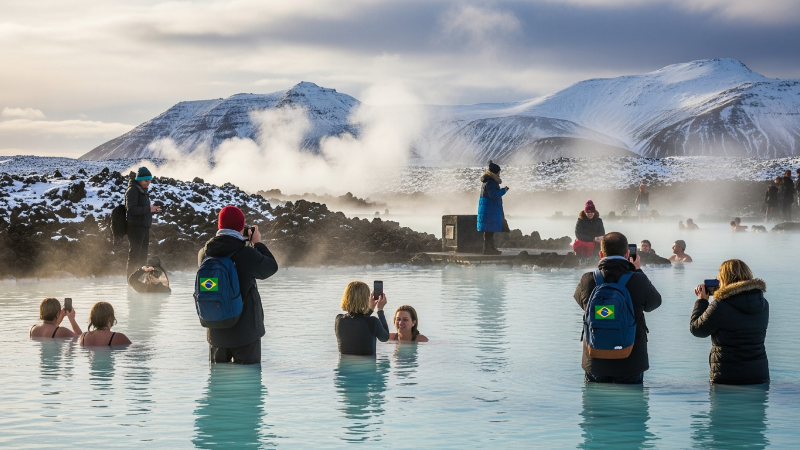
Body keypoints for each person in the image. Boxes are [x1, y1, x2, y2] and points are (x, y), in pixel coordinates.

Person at [574, 232, 662, 384]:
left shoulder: (587, 279)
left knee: (595, 399)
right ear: (627, 254)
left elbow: (583, 305)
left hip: (594, 361)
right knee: (631, 400)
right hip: (631, 362)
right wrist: (637, 270)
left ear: (601, 254)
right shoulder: (638, 279)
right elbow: (654, 303)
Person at [198, 205, 279, 364]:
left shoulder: (204, 253)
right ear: (241, 227)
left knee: (218, 378)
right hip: (246, 332)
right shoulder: (246, 254)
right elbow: (270, 267)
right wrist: (257, 243)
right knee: (249, 378)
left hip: (216, 330)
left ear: (220, 226)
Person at [690, 259, 769, 384]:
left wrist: (702, 301)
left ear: (724, 279)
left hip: (727, 377)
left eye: (718, 276)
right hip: (759, 375)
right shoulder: (763, 304)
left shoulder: (719, 305)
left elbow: (697, 329)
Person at [335, 281, 390, 355]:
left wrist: (371, 309)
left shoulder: (339, 320)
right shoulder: (373, 321)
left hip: (344, 362)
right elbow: (385, 338)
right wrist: (380, 310)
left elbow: (359, 322)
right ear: (365, 299)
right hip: (368, 362)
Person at [126, 167, 161, 275]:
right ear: (139, 179)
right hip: (135, 227)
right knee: (135, 256)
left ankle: (140, 279)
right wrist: (149, 209)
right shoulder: (132, 190)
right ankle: (131, 280)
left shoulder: (142, 191)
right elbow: (131, 209)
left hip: (144, 227)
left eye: (149, 180)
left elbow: (143, 209)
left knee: (143, 257)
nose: (148, 183)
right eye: (146, 180)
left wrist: (153, 210)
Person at [477, 160, 509, 255]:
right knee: (489, 231)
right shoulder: (491, 182)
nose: (500, 173)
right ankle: (489, 249)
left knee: (488, 231)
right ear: (495, 172)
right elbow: (493, 195)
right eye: (498, 171)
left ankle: (489, 249)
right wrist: (503, 191)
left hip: (488, 209)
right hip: (490, 210)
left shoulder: (487, 181)